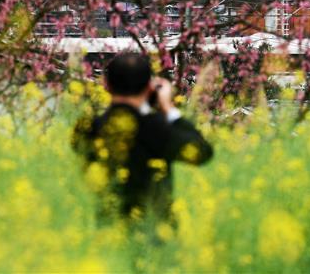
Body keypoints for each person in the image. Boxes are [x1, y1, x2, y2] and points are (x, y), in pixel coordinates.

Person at [72, 53, 213, 224]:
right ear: (149, 88)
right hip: (154, 236)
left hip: (107, 236)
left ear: (106, 85)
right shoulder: (155, 127)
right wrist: (168, 108)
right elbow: (201, 152)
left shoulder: (87, 128)